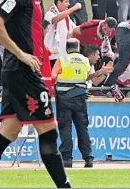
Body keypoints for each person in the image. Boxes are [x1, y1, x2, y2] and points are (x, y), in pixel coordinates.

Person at [0, 0, 71, 187]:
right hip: (23, 72)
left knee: (8, 132)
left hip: (18, 72)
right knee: (48, 132)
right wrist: (21, 54)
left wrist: (38, 51)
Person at [51, 38, 93, 168]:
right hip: (80, 97)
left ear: (66, 48)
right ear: (78, 48)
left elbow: (53, 76)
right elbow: (87, 75)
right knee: (82, 128)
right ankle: (88, 158)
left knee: (65, 128)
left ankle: (67, 159)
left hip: (64, 98)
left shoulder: (62, 59)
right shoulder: (85, 60)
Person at [43, 0, 79, 68]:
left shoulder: (66, 16)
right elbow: (55, 19)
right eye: (66, 2)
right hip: (51, 55)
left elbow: (74, 28)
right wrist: (73, 8)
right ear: (59, 2)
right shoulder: (50, 13)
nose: (68, 4)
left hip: (62, 54)